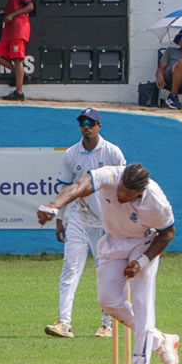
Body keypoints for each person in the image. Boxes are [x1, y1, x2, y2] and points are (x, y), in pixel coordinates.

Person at [37, 164, 181, 364]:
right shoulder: (111, 176)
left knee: (143, 304)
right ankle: (161, 340)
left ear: (140, 191)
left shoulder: (156, 202)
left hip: (143, 242)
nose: (120, 195)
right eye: (120, 189)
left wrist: (142, 261)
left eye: (127, 193)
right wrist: (54, 206)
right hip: (113, 241)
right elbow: (79, 186)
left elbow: (168, 233)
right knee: (108, 301)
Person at [45, 108, 126, 339]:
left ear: (99, 126)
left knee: (106, 272)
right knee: (70, 268)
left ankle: (107, 323)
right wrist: (59, 219)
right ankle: (64, 322)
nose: (86, 126)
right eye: (82, 122)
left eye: (90, 122)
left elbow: (124, 186)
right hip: (79, 218)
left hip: (106, 221)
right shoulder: (72, 153)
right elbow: (64, 188)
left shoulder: (112, 152)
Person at [0, 0, 34, 101]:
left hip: (19, 28)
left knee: (17, 59)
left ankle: (19, 92)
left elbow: (30, 7)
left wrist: (13, 15)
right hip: (9, 30)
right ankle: (19, 74)